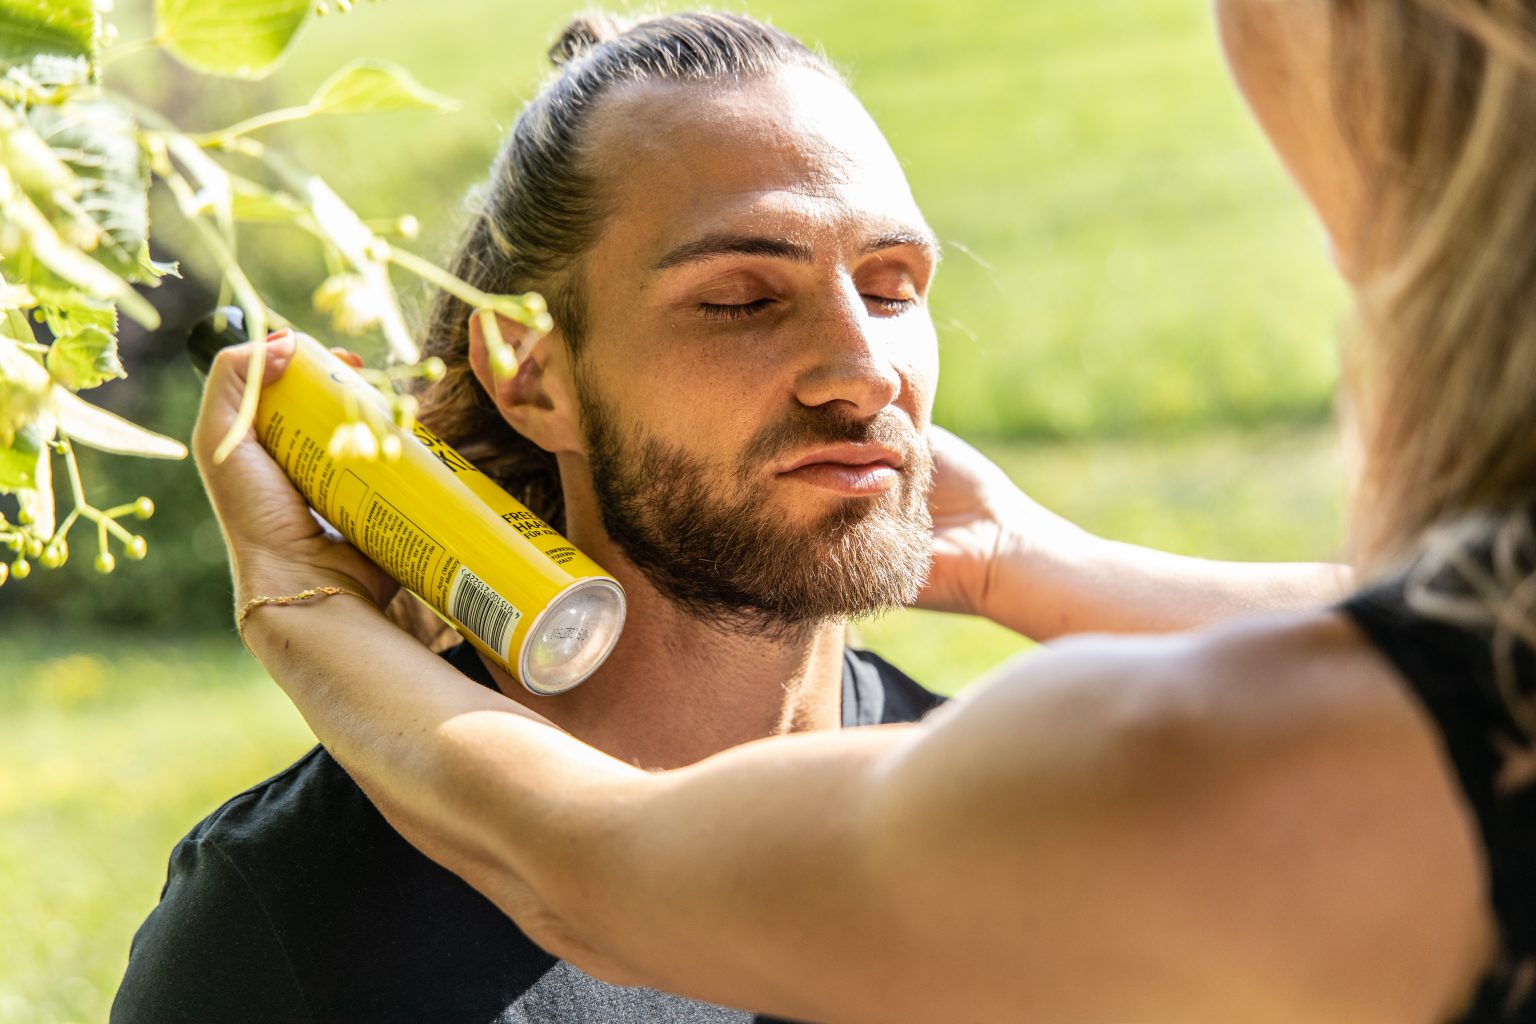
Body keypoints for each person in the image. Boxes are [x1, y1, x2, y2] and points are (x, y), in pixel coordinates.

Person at [180, 5, 1463, 1022]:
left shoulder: (1014, 815)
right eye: (741, 300)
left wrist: (1026, 557)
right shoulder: (292, 925)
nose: (862, 369)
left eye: (893, 288)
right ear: (532, 373)